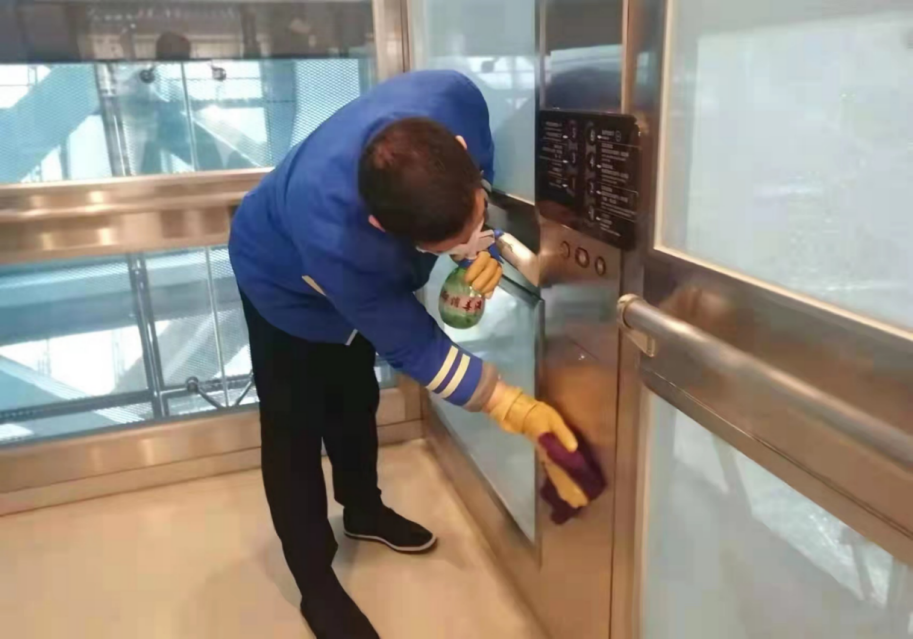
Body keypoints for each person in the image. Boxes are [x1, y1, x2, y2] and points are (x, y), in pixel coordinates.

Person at [228, 70, 583, 639]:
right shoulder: (336, 236)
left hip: (345, 262)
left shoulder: (453, 98)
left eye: (470, 219)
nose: (463, 243)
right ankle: (315, 581)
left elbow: (474, 192)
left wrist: (475, 245)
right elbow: (413, 343)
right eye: (440, 247)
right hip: (281, 280)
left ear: (460, 149)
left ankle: (363, 509)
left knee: (354, 394)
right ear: (380, 226)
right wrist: (514, 407)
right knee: (294, 424)